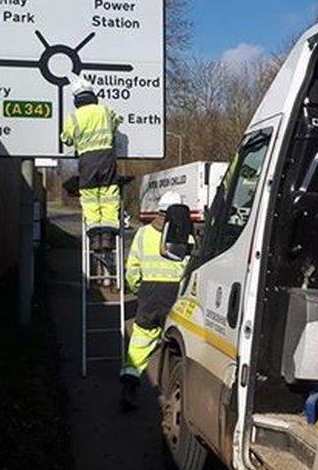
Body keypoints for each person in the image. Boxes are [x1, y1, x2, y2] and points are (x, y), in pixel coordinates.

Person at [119, 191, 190, 410]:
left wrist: (138, 290)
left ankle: (129, 386)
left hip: (150, 294)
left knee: (140, 341)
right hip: (176, 296)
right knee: (177, 344)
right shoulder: (187, 236)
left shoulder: (142, 234)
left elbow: (132, 269)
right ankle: (173, 395)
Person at [61, 77, 122, 251]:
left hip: (87, 160)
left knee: (89, 196)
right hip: (107, 157)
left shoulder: (74, 117)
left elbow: (66, 138)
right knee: (109, 193)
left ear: (76, 98)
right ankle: (108, 236)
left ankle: (95, 237)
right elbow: (117, 122)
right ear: (92, 94)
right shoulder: (105, 111)